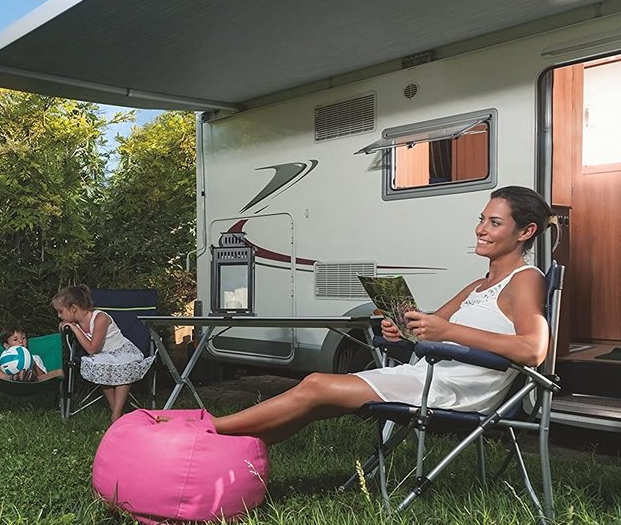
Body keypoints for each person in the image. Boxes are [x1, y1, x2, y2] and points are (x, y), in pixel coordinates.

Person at [206, 186, 553, 444]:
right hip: (429, 375)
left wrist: (446, 331)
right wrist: (399, 325)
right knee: (315, 401)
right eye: (481, 220)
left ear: (526, 232)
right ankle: (230, 447)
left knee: (315, 385)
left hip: (457, 390)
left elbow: (533, 350)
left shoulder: (525, 280)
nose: (481, 229)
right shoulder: (479, 284)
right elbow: (424, 327)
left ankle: (207, 428)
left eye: (494, 223)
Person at [54, 285, 155, 423]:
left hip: (122, 351)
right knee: (99, 366)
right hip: (105, 355)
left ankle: (116, 414)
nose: (59, 316)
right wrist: (74, 326)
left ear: (73, 308)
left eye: (61, 311)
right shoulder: (77, 322)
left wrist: (73, 328)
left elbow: (91, 349)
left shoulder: (100, 318)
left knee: (123, 366)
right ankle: (116, 410)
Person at [0, 327, 64, 382]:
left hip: (33, 382)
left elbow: (44, 377)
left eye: (23, 338)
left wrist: (34, 365)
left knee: (60, 372)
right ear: (6, 345)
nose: (21, 341)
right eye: (15, 339)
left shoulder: (35, 357)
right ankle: (12, 378)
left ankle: (27, 377)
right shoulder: (5, 357)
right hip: (8, 381)